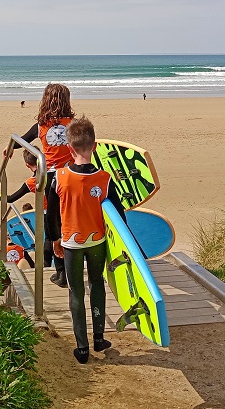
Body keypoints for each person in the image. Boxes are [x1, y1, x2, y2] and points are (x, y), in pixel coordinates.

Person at [54, 115, 126, 364]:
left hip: (71, 243)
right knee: (97, 284)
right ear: (95, 146)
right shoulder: (105, 179)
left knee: (75, 292)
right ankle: (98, 338)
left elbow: (52, 214)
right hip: (97, 242)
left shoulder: (59, 177)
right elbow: (119, 216)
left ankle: (82, 347)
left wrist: (54, 241)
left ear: (69, 147)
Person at [5, 82, 74, 287]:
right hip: (71, 176)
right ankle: (72, 269)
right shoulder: (74, 123)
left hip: (51, 178)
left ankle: (61, 272)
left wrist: (9, 147)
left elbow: (21, 141)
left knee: (54, 224)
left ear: (46, 101)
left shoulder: (41, 126)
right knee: (70, 223)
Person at [0, 150, 51, 272]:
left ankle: (47, 268)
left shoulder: (32, 182)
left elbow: (11, 198)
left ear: (27, 165)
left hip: (48, 212)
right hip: (64, 209)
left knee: (48, 238)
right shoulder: (54, 172)